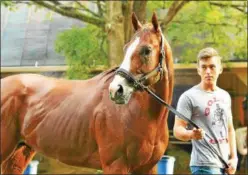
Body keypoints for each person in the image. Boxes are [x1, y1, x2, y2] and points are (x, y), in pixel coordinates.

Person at [173, 47, 238, 175]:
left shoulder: (225, 96)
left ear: (220, 69)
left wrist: (234, 158)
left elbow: (229, 129)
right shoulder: (189, 97)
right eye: (204, 67)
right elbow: (177, 130)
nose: (208, 71)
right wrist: (191, 134)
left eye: (212, 67)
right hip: (204, 166)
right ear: (198, 70)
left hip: (225, 166)